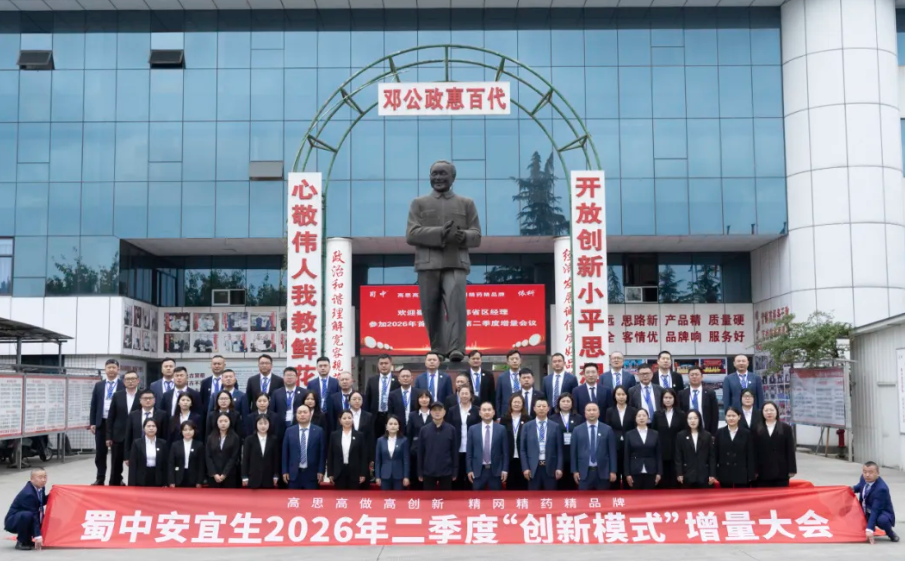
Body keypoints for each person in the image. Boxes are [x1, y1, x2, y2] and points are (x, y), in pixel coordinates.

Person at [405, 159, 482, 362]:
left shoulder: (466, 203)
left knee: (456, 305)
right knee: (430, 308)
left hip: (455, 262)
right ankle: (437, 348)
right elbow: (411, 234)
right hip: (427, 263)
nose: (438, 177)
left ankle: (456, 348)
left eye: (443, 173)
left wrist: (463, 236)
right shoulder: (419, 203)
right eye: (435, 174)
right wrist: (440, 233)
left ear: (453, 177)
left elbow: (476, 235)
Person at [89, 359, 123, 485]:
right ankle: (100, 477)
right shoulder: (99, 385)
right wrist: (93, 422)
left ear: (118, 369)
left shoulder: (123, 385)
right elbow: (94, 405)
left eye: (114, 367)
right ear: (105, 369)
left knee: (117, 453)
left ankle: (116, 478)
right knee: (100, 452)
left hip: (117, 424)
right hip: (102, 423)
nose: (111, 370)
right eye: (109, 367)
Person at [105, 370, 141, 486]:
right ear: (124, 382)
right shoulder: (117, 395)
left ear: (138, 381)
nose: (130, 381)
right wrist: (108, 436)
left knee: (137, 464)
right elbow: (111, 417)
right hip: (118, 435)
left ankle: (136, 486)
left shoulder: (143, 395)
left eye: (133, 379)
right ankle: (114, 485)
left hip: (136, 436)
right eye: (127, 379)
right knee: (116, 464)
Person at [571, 403, 617, 490]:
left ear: (598, 413)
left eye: (594, 410)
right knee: (583, 497)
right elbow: (573, 452)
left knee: (604, 498)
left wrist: (613, 471)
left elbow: (612, 452)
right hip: (584, 472)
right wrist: (575, 471)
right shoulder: (577, 430)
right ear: (585, 413)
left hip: (603, 472)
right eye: (589, 410)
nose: (591, 412)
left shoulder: (607, 429)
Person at [520, 398, 562, 491]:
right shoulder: (527, 426)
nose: (541, 408)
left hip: (550, 467)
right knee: (533, 497)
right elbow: (523, 450)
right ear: (534, 408)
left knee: (551, 497)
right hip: (533, 468)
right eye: (539, 406)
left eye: (544, 406)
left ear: (548, 409)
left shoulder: (555, 426)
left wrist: (559, 468)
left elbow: (559, 450)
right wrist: (525, 468)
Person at [852, 461, 899, 543]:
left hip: (880, 512)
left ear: (877, 473)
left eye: (871, 472)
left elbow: (875, 510)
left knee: (882, 520)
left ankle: (891, 534)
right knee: (850, 512)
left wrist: (869, 529)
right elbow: (861, 486)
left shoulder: (881, 489)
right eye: (865, 472)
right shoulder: (863, 478)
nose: (867, 475)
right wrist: (852, 489)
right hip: (866, 509)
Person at [282, 405, 326, 490]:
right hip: (293, 474)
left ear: (310, 414)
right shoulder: (289, 431)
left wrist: (321, 471)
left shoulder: (319, 431)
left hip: (312, 474)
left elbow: (322, 453)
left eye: (305, 412)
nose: (302, 415)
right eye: (299, 412)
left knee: (311, 498)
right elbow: (285, 453)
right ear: (296, 415)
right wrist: (285, 471)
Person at [753, 401, 797, 487]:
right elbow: (753, 451)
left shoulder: (786, 428)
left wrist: (792, 469)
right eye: (766, 410)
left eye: (771, 410)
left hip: (781, 471)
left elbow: (790, 450)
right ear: (762, 412)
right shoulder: (756, 429)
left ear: (776, 411)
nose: (769, 412)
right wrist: (754, 470)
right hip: (762, 472)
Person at [445, 384, 480, 489]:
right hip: (457, 448)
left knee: (471, 477)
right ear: (458, 395)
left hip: (473, 448)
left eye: (466, 393)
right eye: (462, 393)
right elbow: (448, 429)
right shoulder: (452, 410)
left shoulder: (477, 410)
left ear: (471, 395)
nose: (464, 395)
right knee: (458, 477)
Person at [467, 402, 508, 491]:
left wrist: (505, 469)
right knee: (477, 498)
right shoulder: (472, 429)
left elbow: (505, 452)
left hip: (496, 471)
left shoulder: (501, 429)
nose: (487, 412)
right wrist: (469, 470)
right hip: (478, 471)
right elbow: (469, 452)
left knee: (496, 498)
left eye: (489, 410)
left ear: (493, 412)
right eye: (484, 410)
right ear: (480, 413)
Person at [4, 468, 48, 550]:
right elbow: (33, 514)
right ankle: (21, 541)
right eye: (40, 477)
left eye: (45, 477)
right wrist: (38, 536)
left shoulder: (40, 487)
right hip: (13, 521)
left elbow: (40, 501)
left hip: (26, 515)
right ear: (32, 479)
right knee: (28, 515)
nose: (43, 480)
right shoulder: (28, 493)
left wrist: (53, 495)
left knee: (39, 516)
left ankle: (28, 540)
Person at [418, 401, 458, 491]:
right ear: (430, 412)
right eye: (434, 410)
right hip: (428, 471)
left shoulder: (451, 429)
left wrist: (455, 471)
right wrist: (420, 472)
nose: (437, 412)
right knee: (429, 498)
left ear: (444, 412)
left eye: (440, 410)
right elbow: (420, 452)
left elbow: (454, 452)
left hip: (446, 472)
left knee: (446, 498)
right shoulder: (424, 430)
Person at [604, 385, 637, 489]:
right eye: (618, 394)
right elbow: (607, 429)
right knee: (615, 474)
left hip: (630, 445)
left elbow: (635, 428)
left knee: (628, 474)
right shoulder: (609, 411)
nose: (621, 397)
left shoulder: (633, 411)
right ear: (614, 396)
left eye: (623, 394)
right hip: (615, 446)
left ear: (627, 396)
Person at [715, 407, 757, 488]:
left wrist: (751, 474)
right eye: (729, 416)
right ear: (725, 417)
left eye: (733, 416)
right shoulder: (719, 433)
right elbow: (715, 454)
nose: (731, 418)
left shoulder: (746, 433)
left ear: (739, 417)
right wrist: (715, 473)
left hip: (742, 473)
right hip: (724, 473)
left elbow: (750, 455)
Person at [327, 410, 369, 490]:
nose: (347, 420)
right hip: (339, 472)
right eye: (344, 418)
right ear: (340, 421)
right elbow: (330, 455)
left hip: (355, 472)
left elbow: (363, 456)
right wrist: (330, 473)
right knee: (340, 496)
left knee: (353, 496)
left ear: (352, 419)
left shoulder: (359, 435)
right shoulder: (334, 435)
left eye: (349, 418)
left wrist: (363, 473)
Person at [652, 388, 686, 489]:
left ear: (674, 399)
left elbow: (683, 433)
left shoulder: (681, 414)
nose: (668, 400)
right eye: (665, 397)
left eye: (670, 397)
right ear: (662, 399)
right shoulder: (657, 414)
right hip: (662, 452)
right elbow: (654, 433)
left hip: (677, 452)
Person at [674, 410, 716, 489]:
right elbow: (678, 456)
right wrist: (679, 473)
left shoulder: (707, 435)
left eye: (695, 418)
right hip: (687, 475)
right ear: (686, 420)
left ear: (699, 419)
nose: (692, 421)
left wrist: (712, 474)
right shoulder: (681, 435)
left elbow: (712, 457)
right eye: (690, 418)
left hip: (704, 475)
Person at [125, 390, 168, 463]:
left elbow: (165, 435)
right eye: (145, 398)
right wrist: (127, 456)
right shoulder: (133, 415)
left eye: (150, 398)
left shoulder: (162, 414)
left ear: (154, 400)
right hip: (137, 450)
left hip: (156, 451)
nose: (148, 400)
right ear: (140, 400)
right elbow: (128, 435)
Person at [624, 408, 662, 490]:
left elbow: (658, 454)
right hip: (635, 471)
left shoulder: (655, 433)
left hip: (651, 470)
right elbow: (626, 455)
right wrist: (627, 474)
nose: (641, 418)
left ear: (648, 418)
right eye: (639, 416)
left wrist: (659, 472)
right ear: (635, 418)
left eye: (644, 415)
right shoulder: (629, 434)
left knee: (650, 496)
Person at [365, 354, 400, 439]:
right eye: (381, 363)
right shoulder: (372, 380)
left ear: (391, 364)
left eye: (386, 363)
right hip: (375, 417)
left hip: (391, 416)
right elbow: (368, 399)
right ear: (378, 365)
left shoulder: (397, 380)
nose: (383, 366)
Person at [551, 393, 581, 490]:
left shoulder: (578, 418)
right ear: (558, 403)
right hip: (558, 452)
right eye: (563, 401)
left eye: (568, 401)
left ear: (572, 403)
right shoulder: (552, 418)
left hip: (574, 452)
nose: (565, 403)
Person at [242, 415, 280, 489]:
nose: (263, 426)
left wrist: (276, 474)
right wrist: (244, 476)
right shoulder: (249, 439)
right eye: (260, 423)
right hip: (253, 477)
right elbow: (245, 459)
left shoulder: (274, 439)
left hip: (269, 478)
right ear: (256, 424)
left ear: (269, 424)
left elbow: (276, 459)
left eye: (265, 423)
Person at [128, 418, 168, 487]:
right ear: (144, 428)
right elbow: (133, 465)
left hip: (158, 478)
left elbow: (165, 464)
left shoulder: (163, 443)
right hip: (141, 478)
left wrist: (166, 482)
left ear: (157, 428)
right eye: (148, 426)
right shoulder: (137, 443)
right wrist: (131, 483)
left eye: (153, 426)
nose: (151, 428)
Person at [406, 389, 432, 491]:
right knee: (416, 481)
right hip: (415, 451)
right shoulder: (412, 415)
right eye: (421, 397)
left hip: (431, 451)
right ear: (417, 400)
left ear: (430, 399)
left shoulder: (434, 414)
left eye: (426, 397)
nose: (424, 400)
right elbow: (409, 434)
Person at [678, 366, 718, 433]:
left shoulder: (710, 393)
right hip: (687, 431)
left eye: (696, 374)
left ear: (702, 377)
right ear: (688, 377)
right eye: (692, 375)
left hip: (705, 431)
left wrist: (713, 433)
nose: (694, 377)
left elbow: (715, 414)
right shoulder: (682, 394)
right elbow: (679, 415)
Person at [205, 413, 241, 488]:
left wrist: (225, 474)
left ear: (230, 422)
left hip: (229, 475)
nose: (223, 423)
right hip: (214, 475)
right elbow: (208, 456)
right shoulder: (211, 437)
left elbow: (234, 457)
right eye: (220, 421)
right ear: (217, 422)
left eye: (225, 421)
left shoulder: (235, 438)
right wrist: (214, 473)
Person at [375, 415, 410, 490]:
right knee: (385, 497)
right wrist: (377, 476)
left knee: (398, 497)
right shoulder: (380, 441)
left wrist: (406, 476)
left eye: (395, 424)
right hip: (384, 475)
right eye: (390, 424)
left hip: (399, 475)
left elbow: (406, 460)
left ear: (398, 426)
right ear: (386, 426)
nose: (393, 426)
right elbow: (378, 461)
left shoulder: (404, 440)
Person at [348, 391, 375, 485]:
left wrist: (371, 457)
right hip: (347, 452)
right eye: (354, 399)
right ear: (349, 401)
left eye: (359, 399)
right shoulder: (344, 415)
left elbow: (371, 437)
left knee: (363, 481)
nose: (357, 401)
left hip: (364, 453)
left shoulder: (368, 416)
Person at [168, 421, 204, 488]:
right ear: (181, 431)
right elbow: (171, 464)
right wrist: (171, 481)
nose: (188, 432)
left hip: (193, 479)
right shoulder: (175, 445)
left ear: (194, 431)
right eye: (185, 430)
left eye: (190, 429)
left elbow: (201, 465)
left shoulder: (199, 445)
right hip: (178, 477)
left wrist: (199, 481)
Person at [495, 350, 523, 419]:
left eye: (517, 359)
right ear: (507, 362)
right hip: (506, 412)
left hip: (523, 411)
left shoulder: (526, 376)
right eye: (512, 359)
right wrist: (498, 416)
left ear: (520, 361)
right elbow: (498, 398)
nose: (514, 361)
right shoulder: (502, 377)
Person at [387, 368, 416, 432]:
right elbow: (390, 413)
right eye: (403, 376)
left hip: (414, 427)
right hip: (398, 428)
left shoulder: (418, 393)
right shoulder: (392, 395)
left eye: (407, 376)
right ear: (399, 379)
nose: (405, 378)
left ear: (412, 378)